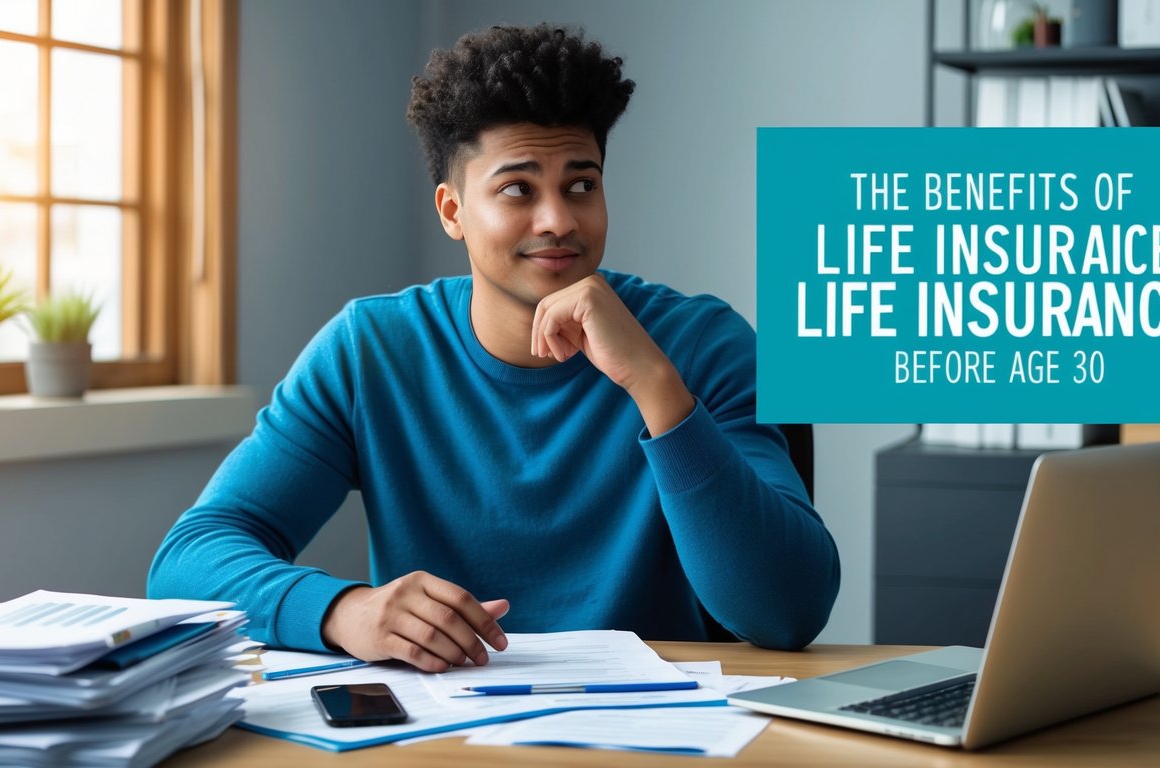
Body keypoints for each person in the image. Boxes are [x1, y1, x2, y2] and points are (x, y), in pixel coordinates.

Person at [148, 23, 839, 672]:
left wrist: (656, 386)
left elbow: (787, 613)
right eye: (517, 189)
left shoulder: (704, 344)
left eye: (581, 185)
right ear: (452, 210)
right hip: (440, 729)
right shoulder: (372, 352)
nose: (558, 220)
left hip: (660, 730)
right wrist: (341, 610)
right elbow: (188, 558)